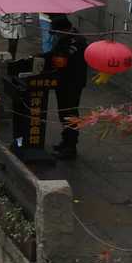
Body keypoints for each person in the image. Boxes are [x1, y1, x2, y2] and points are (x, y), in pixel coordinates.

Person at [48, 15, 88, 159]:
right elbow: (53, 54)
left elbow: (63, 58)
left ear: (64, 29)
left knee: (70, 113)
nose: (56, 36)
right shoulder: (63, 38)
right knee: (62, 112)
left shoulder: (77, 41)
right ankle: (65, 141)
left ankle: (71, 147)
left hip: (73, 82)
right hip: (62, 81)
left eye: (58, 33)